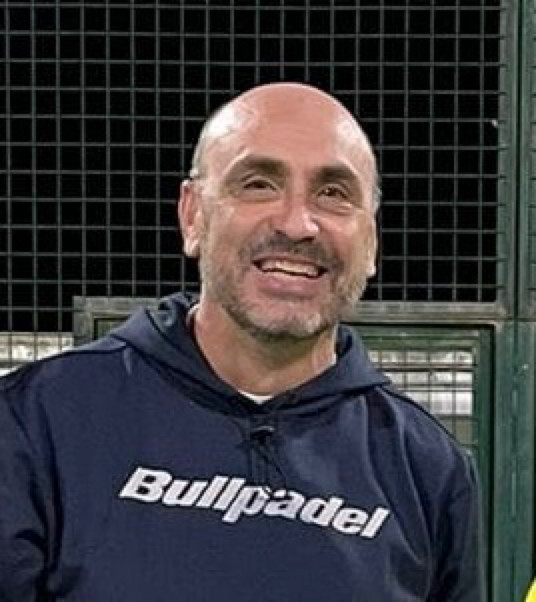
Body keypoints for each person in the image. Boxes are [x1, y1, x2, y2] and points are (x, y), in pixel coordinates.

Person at [0, 82, 484, 601]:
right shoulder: (37, 423)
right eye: (258, 184)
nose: (298, 224)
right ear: (192, 215)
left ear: (371, 242)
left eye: (333, 193)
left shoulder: (429, 468)